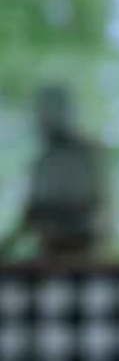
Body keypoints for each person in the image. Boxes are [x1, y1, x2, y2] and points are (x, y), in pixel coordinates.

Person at [1, 85, 107, 261]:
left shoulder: (86, 155)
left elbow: (94, 210)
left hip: (82, 256)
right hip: (49, 255)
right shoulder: (42, 160)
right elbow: (31, 214)